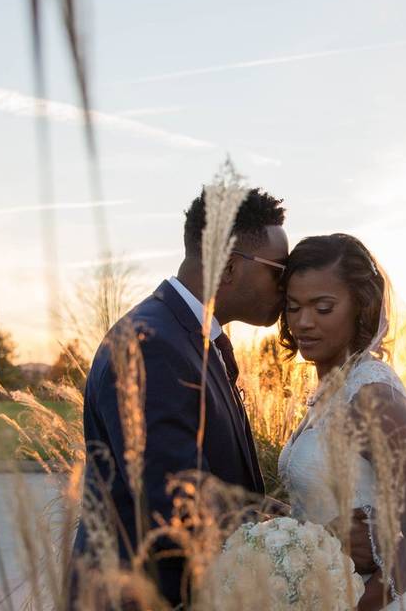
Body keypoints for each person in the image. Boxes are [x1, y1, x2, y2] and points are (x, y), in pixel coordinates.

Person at [71, 187, 289, 606]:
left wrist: (264, 511)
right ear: (228, 266)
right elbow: (173, 502)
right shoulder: (150, 343)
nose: (286, 285)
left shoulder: (186, 336)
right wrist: (284, 536)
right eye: (278, 270)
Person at [277, 233, 406, 611]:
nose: (303, 322)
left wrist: (358, 607)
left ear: (361, 307)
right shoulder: (329, 391)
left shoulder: (371, 394)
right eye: (293, 306)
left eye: (323, 307)